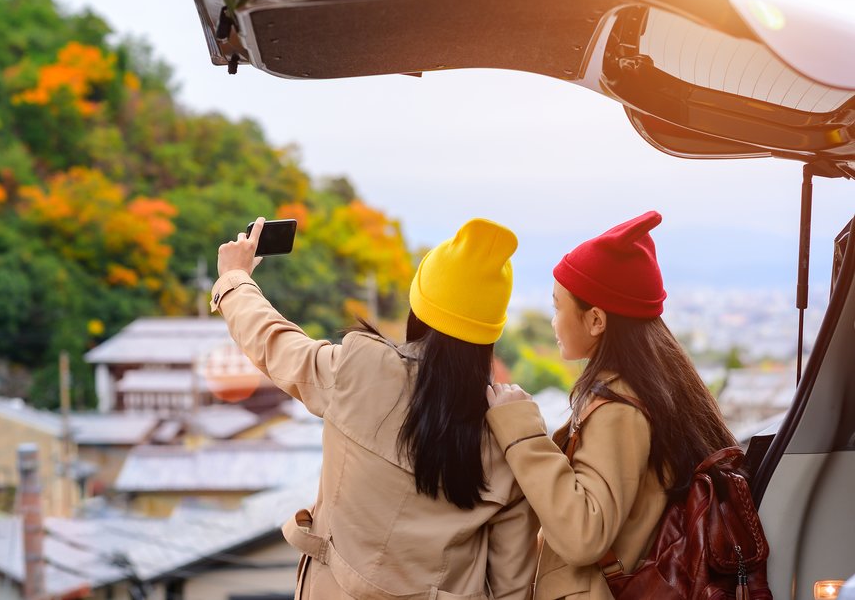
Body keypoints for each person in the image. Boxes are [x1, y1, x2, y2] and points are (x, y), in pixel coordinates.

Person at [213, 216, 538, 600]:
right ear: (489, 335)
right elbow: (513, 588)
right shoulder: (507, 435)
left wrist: (235, 279)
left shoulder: (361, 367)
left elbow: (274, 342)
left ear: (419, 308)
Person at [485, 211, 737, 600]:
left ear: (596, 320)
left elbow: (585, 534)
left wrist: (521, 431)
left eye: (558, 307)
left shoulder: (618, 407)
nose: (553, 322)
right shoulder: (657, 388)